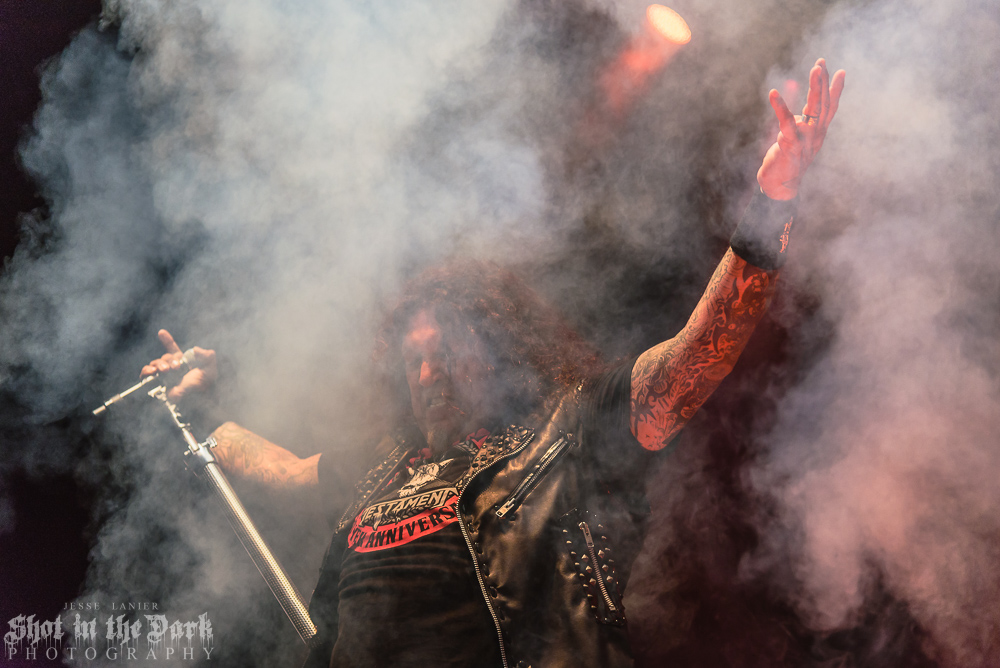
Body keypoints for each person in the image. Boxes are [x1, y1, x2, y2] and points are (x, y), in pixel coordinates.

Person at [142, 60, 845, 668]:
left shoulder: (566, 429)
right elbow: (283, 468)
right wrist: (198, 404)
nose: (429, 374)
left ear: (502, 344)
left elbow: (692, 361)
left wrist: (770, 204)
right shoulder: (382, 468)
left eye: (447, 350)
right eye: (414, 360)